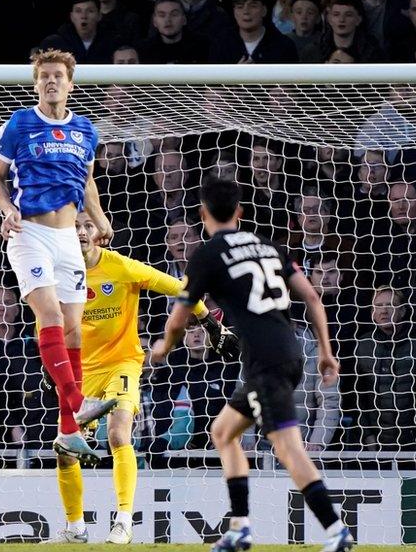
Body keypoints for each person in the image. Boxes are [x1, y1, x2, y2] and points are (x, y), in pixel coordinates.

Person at [150, 177, 353, 552]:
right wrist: (325, 352)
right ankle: (240, 526)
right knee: (224, 431)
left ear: (203, 213)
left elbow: (179, 318)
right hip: (291, 351)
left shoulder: (208, 254)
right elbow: (312, 297)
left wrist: (163, 346)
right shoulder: (269, 246)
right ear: (239, 212)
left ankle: (336, 528)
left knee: (288, 449)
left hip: (265, 362)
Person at [46, 212, 237, 545]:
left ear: (100, 232)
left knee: (119, 433)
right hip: (79, 371)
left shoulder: (120, 266)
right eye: (73, 226)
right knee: (65, 450)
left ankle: (122, 521)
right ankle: (75, 527)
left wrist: (211, 325)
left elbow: (180, 288)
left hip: (121, 363)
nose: (80, 232)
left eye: (87, 225)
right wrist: (53, 371)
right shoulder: (56, 274)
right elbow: (47, 327)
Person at [0, 48, 115, 462]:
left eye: (58, 76)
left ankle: (67, 431)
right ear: (36, 82)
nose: (51, 82)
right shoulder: (20, 123)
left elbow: (88, 183)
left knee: (75, 331)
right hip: (30, 232)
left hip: (69, 239)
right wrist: (7, 209)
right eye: (44, 76)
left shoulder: (86, 131)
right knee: (52, 317)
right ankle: (77, 404)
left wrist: (100, 219)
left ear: (70, 83)